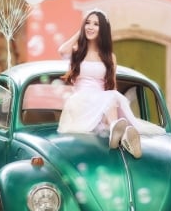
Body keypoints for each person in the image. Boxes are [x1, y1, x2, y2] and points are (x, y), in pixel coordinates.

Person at [57, 9, 165, 158]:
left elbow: (111, 86)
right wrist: (81, 31)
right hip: (81, 102)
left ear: (103, 29)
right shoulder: (76, 52)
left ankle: (118, 132)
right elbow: (62, 51)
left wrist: (114, 100)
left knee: (112, 96)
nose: (91, 27)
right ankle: (119, 131)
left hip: (102, 105)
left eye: (96, 24)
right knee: (110, 98)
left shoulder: (109, 57)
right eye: (87, 23)